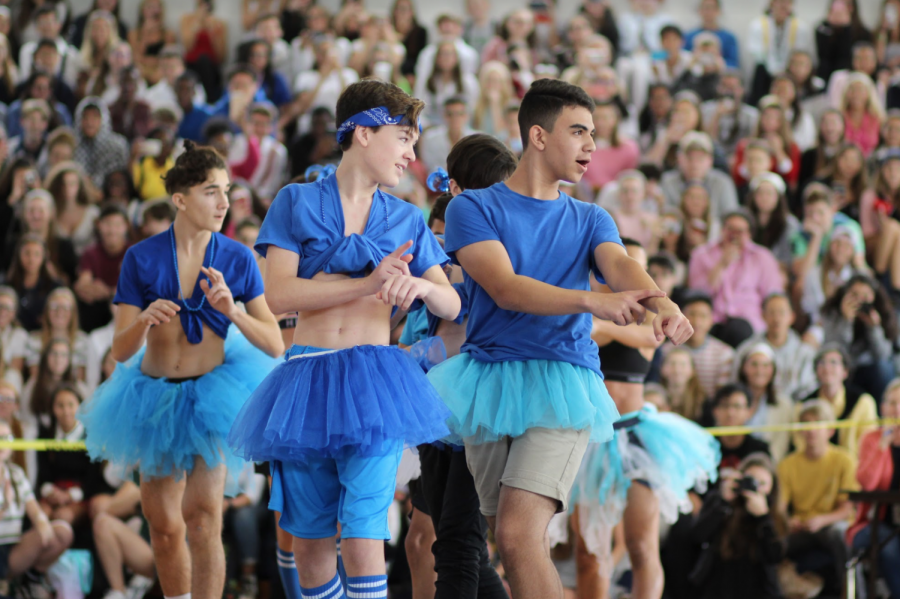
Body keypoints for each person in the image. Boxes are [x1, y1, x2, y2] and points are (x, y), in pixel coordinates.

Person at [426, 78, 693, 599]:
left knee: (517, 534)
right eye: (579, 131)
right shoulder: (471, 208)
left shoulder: (592, 216)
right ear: (538, 136)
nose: (592, 145)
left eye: (593, 133)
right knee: (509, 542)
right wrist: (592, 301)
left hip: (561, 383)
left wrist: (661, 302)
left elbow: (619, 265)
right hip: (488, 381)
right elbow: (505, 289)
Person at [227, 79, 460, 599]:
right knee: (309, 541)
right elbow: (279, 296)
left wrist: (421, 283)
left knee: (363, 533)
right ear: (361, 134)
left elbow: (452, 304)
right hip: (306, 374)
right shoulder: (296, 200)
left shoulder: (406, 216)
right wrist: (367, 284)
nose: (411, 152)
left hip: (374, 380)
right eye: (402, 137)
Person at [78, 142, 284, 599]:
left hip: (212, 395)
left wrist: (234, 312)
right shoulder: (141, 257)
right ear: (180, 198)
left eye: (226, 191)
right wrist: (144, 319)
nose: (224, 202)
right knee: (165, 526)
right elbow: (117, 349)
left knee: (204, 515)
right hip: (153, 394)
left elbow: (273, 343)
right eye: (212, 191)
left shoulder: (237, 257)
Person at [571, 239, 718, 599]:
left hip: (637, 436)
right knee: (589, 552)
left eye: (639, 267)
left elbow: (649, 338)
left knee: (641, 546)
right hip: (590, 438)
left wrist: (603, 327)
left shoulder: (650, 315)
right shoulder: (585, 304)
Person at [414, 134, 517, 599]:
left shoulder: (503, 246)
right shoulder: (443, 246)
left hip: (486, 401)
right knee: (459, 546)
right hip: (433, 403)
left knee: (457, 542)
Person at [779, 400, 858, 598]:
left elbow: (847, 509)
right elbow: (779, 509)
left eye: (818, 423)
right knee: (771, 539)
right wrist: (788, 521)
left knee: (839, 535)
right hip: (801, 528)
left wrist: (822, 520)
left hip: (831, 525)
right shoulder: (787, 464)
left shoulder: (845, 460)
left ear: (830, 430)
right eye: (806, 423)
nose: (812, 430)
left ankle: (852, 593)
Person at [690, 453, 786, 599]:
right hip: (720, 584)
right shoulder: (721, 500)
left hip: (759, 587)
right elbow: (697, 536)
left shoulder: (774, 513)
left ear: (772, 487)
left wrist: (763, 518)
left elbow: (775, 556)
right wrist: (723, 503)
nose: (755, 488)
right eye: (752, 480)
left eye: (763, 484)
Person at [0, 417, 73, 596]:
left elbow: (34, 509)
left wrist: (42, 522)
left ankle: (31, 577)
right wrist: (5, 506)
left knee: (63, 532)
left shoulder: (16, 474)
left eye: (6, 438)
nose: (2, 444)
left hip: (14, 545)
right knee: (44, 535)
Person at [688, 211, 784, 340]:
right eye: (730, 229)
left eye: (740, 231)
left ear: (749, 234)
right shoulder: (701, 254)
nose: (734, 235)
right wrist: (722, 264)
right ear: (722, 230)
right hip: (712, 319)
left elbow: (772, 294)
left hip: (748, 320)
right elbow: (699, 294)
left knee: (738, 330)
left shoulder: (762, 257)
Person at [847, 378, 900, 599]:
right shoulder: (871, 439)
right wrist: (883, 445)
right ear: (882, 407)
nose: (897, 409)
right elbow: (867, 484)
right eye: (892, 403)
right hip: (874, 523)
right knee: (891, 547)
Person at [801, 343, 877, 463]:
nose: (827, 368)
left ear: (845, 371)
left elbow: (869, 445)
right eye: (821, 363)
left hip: (853, 469)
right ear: (816, 371)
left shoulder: (863, 402)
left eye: (833, 362)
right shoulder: (804, 406)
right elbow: (800, 446)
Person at [733, 293, 817, 401]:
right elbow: (736, 385)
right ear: (763, 316)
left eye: (781, 313)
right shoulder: (746, 350)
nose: (776, 318)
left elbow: (808, 391)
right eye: (771, 313)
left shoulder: (805, 353)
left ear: (792, 317)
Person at [683, 0, 739, 69]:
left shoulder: (729, 38)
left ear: (719, 11)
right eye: (705, 8)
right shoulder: (689, 37)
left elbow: (733, 63)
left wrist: (718, 62)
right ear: (699, 11)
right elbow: (683, 61)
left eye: (712, 8)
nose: (708, 12)